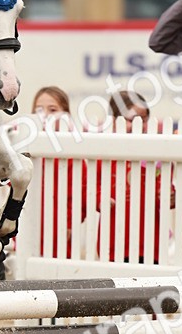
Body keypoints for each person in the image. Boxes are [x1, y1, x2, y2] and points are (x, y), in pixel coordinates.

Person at [95, 90, 174, 264]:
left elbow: (166, 188)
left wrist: (168, 195)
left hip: (150, 243)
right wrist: (100, 199)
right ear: (114, 121)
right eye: (132, 119)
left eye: (144, 119)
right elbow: (92, 188)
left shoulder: (155, 157)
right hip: (113, 242)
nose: (140, 124)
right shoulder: (104, 156)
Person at [31, 86, 88, 258]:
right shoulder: (27, 152)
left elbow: (80, 195)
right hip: (28, 228)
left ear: (66, 114)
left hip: (59, 233)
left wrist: (69, 223)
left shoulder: (71, 155)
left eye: (53, 110)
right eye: (39, 110)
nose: (45, 115)